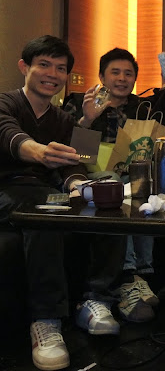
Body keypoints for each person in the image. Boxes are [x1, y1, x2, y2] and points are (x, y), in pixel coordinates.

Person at [0, 36, 128, 371]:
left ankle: (96, 299)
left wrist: (77, 185)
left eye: (60, 69)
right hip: (7, 190)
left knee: (108, 195)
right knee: (45, 209)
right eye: (44, 65)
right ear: (24, 67)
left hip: (45, 189)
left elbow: (77, 160)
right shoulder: (7, 102)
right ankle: (46, 320)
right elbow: (9, 135)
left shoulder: (60, 117)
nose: (53, 74)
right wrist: (39, 151)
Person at [63, 48, 158, 323]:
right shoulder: (79, 102)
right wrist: (88, 119)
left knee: (143, 184)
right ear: (102, 76)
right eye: (115, 72)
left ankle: (142, 273)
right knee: (113, 183)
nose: (122, 78)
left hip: (128, 174)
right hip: (88, 176)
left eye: (128, 74)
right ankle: (127, 276)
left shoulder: (142, 108)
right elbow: (70, 153)